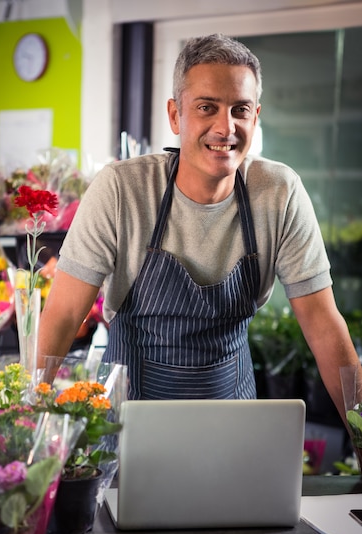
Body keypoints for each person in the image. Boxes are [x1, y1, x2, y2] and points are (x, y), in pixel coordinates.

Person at [38, 33, 361, 421]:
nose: (225, 128)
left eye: (240, 110)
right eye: (207, 107)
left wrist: (360, 432)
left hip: (232, 415)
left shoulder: (278, 192)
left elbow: (324, 326)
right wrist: (26, 427)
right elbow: (62, 315)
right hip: (131, 417)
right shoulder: (124, 189)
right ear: (176, 115)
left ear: (255, 117)